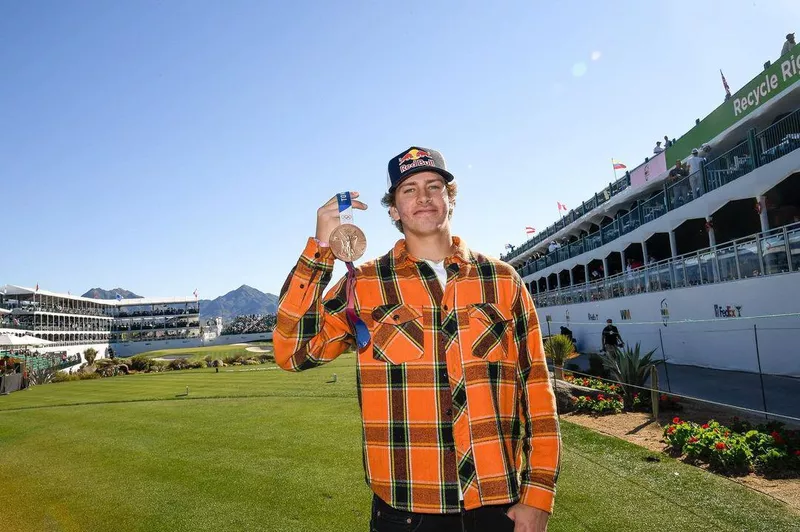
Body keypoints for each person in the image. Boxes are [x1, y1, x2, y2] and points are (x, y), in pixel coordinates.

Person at [274, 146, 560, 532]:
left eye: (434, 186)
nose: (423, 197)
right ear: (393, 210)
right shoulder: (365, 285)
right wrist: (321, 250)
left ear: (450, 199)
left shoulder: (503, 281)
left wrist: (538, 495)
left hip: (499, 506)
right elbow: (292, 352)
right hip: (405, 512)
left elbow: (538, 393)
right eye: (408, 189)